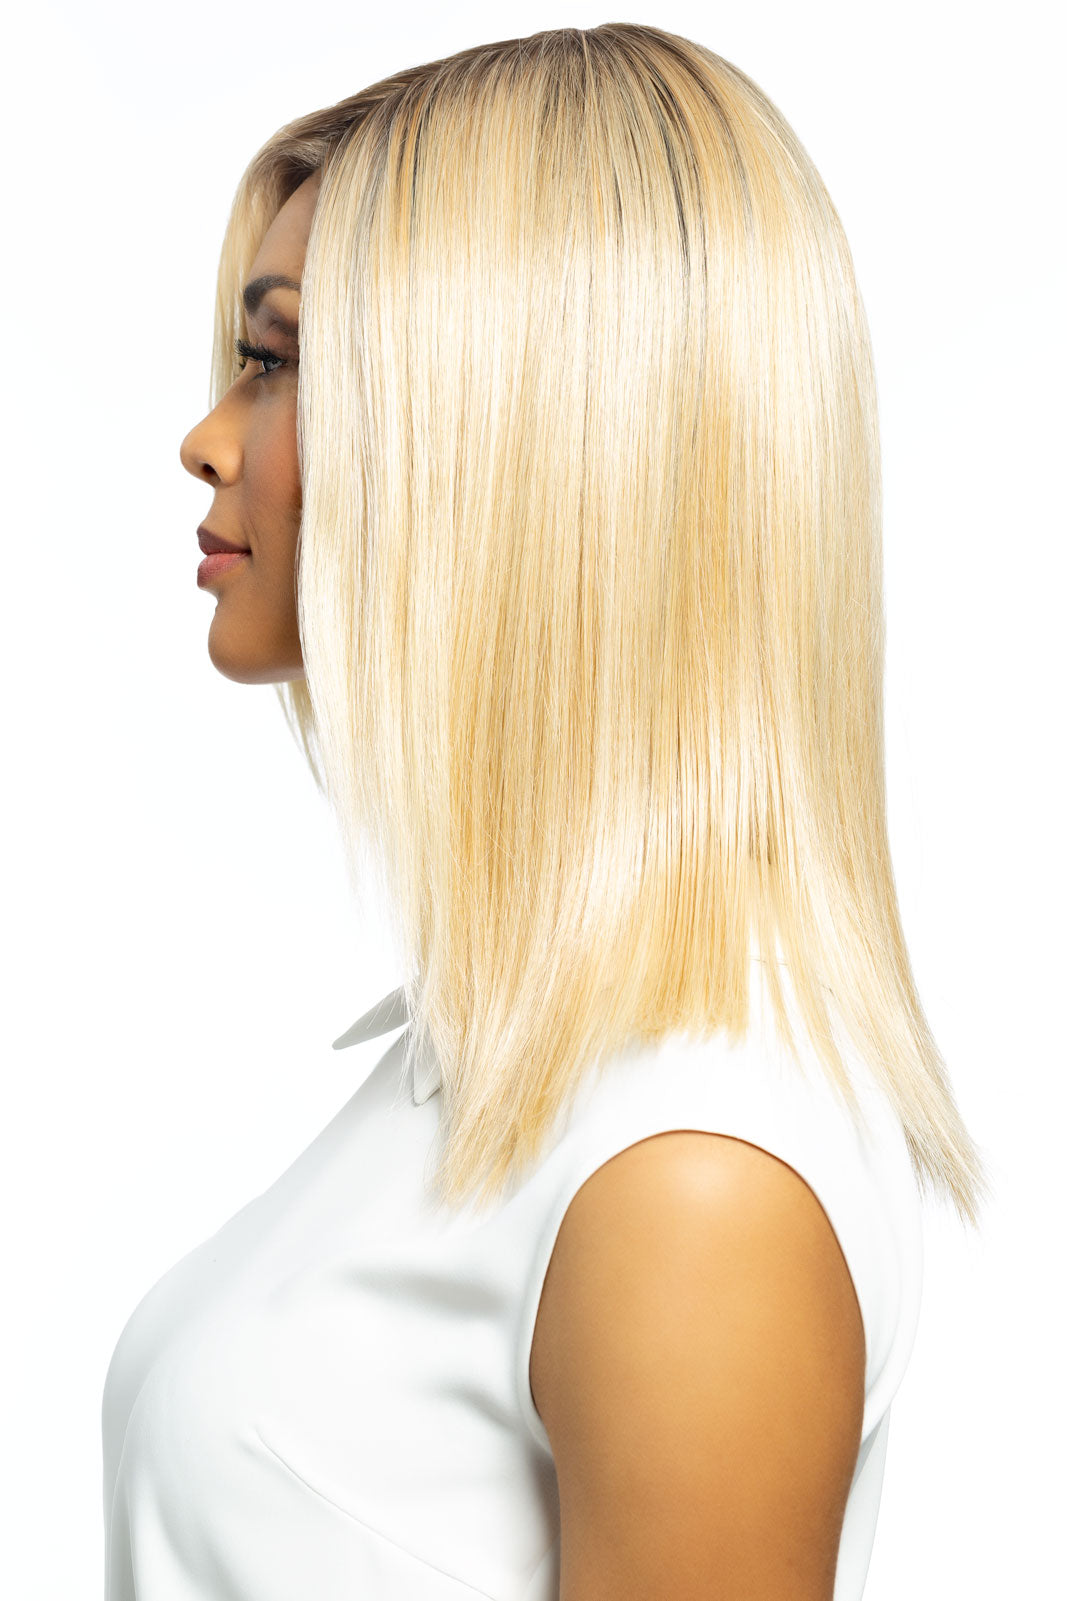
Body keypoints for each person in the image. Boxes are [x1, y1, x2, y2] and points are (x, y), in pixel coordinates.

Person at [102, 23, 990, 1600]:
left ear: (507, 430)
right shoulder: (503, 1077)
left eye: (281, 359)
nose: (207, 435)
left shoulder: (690, 1175)